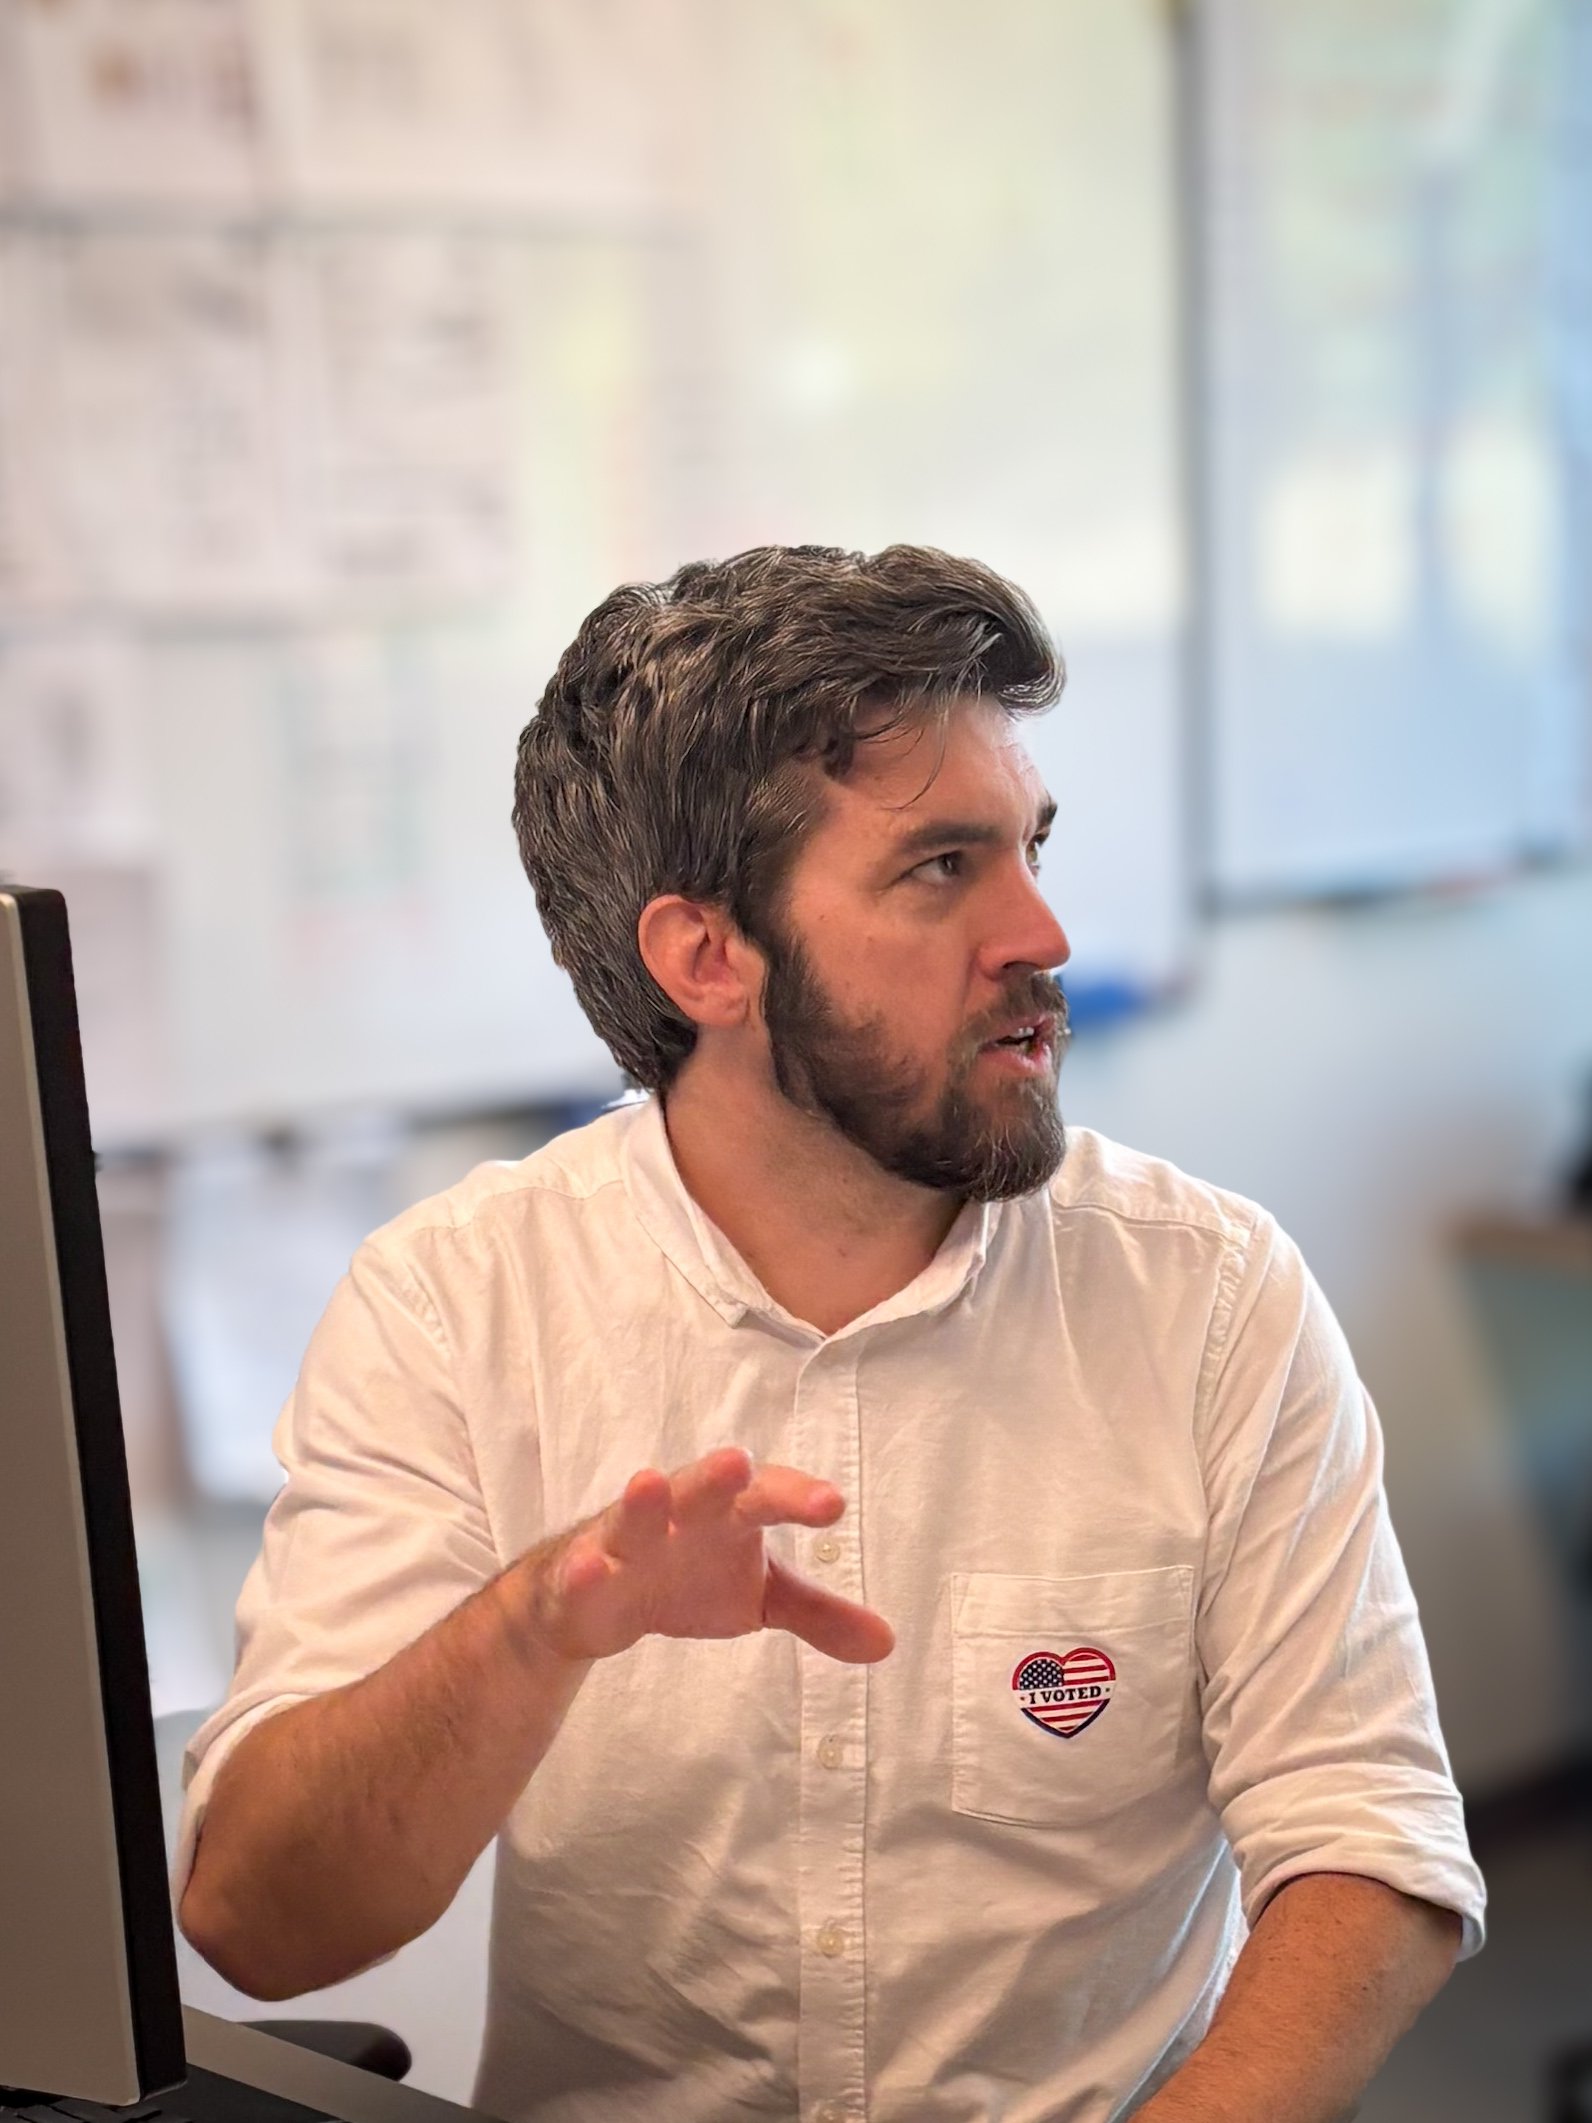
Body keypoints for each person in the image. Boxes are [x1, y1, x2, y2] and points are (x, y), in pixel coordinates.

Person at [176, 545, 1485, 2123]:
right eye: (941, 869)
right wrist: (536, 1628)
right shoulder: (456, 1304)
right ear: (706, 958)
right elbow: (261, 1926)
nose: (1042, 934)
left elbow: (1372, 1851)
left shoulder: (1207, 1298)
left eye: (1031, 849)